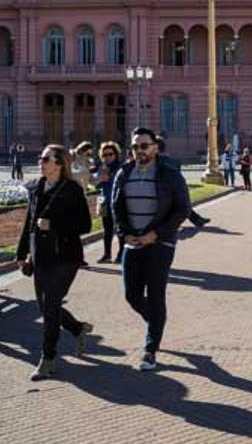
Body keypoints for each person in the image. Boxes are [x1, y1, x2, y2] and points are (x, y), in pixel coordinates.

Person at [112, 127, 191, 372]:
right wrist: (124, 234)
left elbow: (182, 209)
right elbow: (116, 208)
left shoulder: (169, 174)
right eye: (135, 146)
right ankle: (156, 323)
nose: (139, 151)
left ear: (155, 147)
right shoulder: (124, 173)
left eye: (144, 146)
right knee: (132, 295)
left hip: (160, 242)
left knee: (155, 294)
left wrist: (155, 234)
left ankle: (150, 349)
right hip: (133, 241)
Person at [17, 144, 93, 380]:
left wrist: (54, 226)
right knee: (45, 306)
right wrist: (21, 253)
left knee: (50, 305)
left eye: (46, 158)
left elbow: (85, 225)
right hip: (41, 256)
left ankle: (47, 358)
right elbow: (30, 222)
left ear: (60, 163)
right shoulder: (37, 187)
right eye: (40, 158)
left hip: (65, 257)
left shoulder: (71, 189)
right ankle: (77, 328)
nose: (41, 161)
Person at [93, 141, 124, 263]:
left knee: (120, 228)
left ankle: (121, 254)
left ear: (116, 154)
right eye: (104, 155)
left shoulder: (121, 167)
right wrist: (101, 178)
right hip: (105, 201)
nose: (107, 157)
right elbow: (94, 184)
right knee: (107, 230)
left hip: (118, 202)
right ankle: (107, 254)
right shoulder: (101, 168)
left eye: (110, 154)